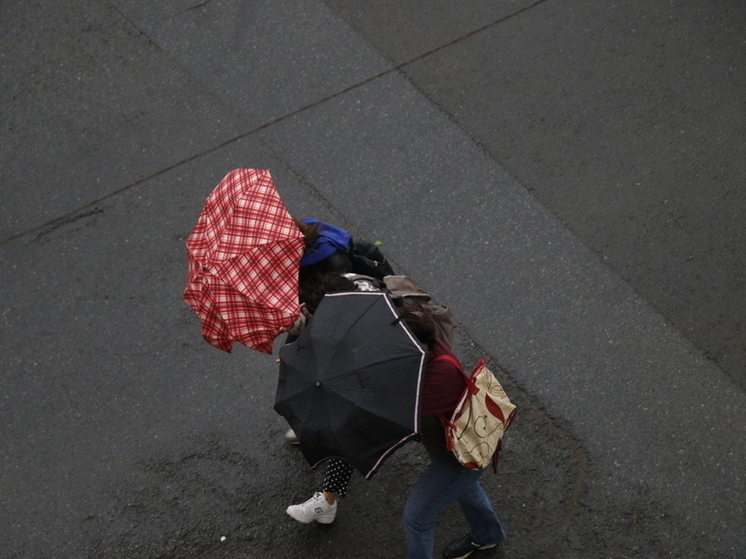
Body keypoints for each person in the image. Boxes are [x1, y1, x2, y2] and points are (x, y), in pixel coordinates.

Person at [400, 304, 506, 559]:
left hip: (460, 457)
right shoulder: (428, 352)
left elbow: (405, 422)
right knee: (465, 489)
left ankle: (487, 534)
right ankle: (487, 535)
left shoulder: (438, 376)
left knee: (416, 518)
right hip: (453, 447)